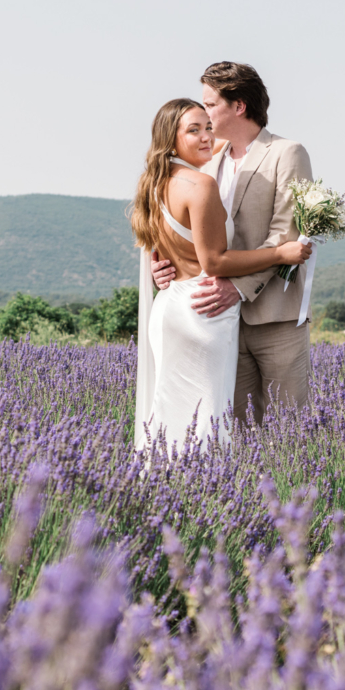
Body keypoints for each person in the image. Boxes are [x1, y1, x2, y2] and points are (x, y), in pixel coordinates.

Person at [131, 98, 310, 451]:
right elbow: (213, 262)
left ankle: (160, 491)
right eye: (194, 130)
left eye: (208, 126)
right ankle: (202, 490)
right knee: (208, 415)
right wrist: (280, 253)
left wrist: (158, 265)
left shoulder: (153, 183)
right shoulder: (201, 184)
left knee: (169, 413)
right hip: (204, 308)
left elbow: (159, 248)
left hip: (169, 305)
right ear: (171, 138)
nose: (206, 137)